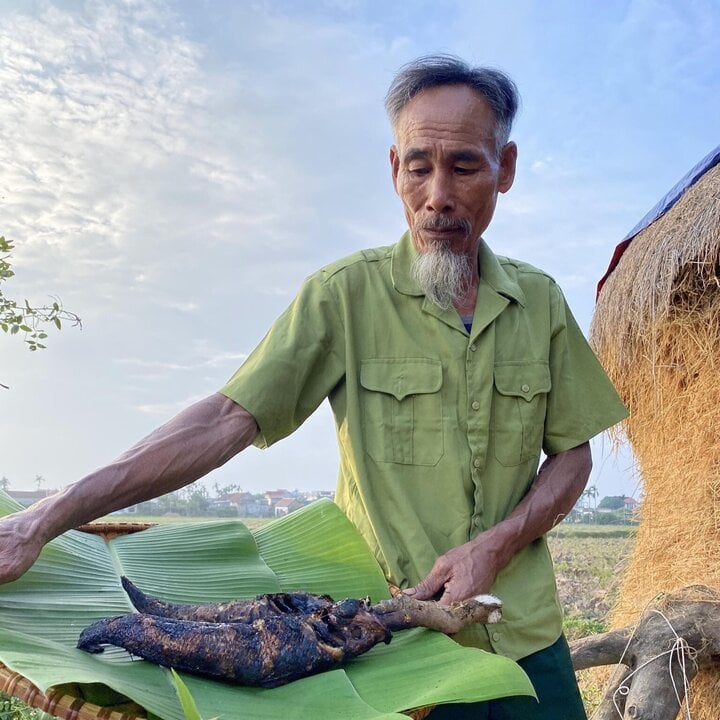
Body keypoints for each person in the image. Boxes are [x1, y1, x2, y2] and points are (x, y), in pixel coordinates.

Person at [0, 55, 626, 718]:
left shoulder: (541, 301)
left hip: (528, 633)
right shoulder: (343, 298)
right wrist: (42, 521)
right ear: (395, 171)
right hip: (390, 645)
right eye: (419, 166)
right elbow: (223, 420)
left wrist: (495, 545)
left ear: (505, 168)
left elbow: (573, 453)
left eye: (464, 165)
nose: (437, 194)